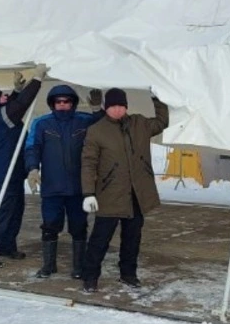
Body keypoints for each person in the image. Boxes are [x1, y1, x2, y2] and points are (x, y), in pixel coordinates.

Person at [80, 88, 169, 292]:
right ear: (106, 107)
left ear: (126, 107)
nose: (117, 110)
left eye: (121, 106)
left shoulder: (139, 124)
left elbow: (162, 122)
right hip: (110, 195)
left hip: (136, 195)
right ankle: (90, 277)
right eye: (113, 106)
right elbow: (88, 164)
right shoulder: (97, 130)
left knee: (132, 238)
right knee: (99, 240)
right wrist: (88, 193)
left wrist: (157, 98)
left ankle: (128, 274)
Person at [0, 65, 47, 268]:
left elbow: (12, 106)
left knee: (15, 210)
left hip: (9, 170)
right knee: (1, 212)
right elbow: (20, 106)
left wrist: (17, 91)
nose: (3, 95)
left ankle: (7, 245)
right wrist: (37, 80)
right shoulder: (1, 115)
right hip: (3, 172)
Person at [24, 85, 103, 278]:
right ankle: (49, 265)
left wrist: (96, 110)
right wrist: (33, 169)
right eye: (58, 101)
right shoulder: (41, 123)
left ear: (73, 103)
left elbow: (105, 128)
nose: (62, 105)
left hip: (78, 188)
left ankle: (78, 267)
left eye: (66, 101)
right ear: (52, 103)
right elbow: (32, 147)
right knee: (50, 225)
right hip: (52, 187)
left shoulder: (84, 121)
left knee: (78, 227)